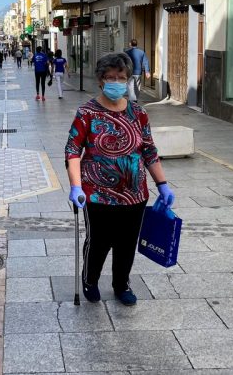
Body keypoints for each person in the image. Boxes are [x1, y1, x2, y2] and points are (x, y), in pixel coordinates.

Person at [65, 53, 174, 306]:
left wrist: (162, 184)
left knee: (126, 244)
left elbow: (149, 150)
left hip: (134, 194)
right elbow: (72, 150)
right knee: (99, 242)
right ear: (101, 80)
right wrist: (75, 186)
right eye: (110, 77)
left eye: (121, 77)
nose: (116, 82)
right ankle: (90, 279)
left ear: (128, 80)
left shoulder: (139, 113)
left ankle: (121, 284)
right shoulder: (87, 113)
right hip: (96, 193)